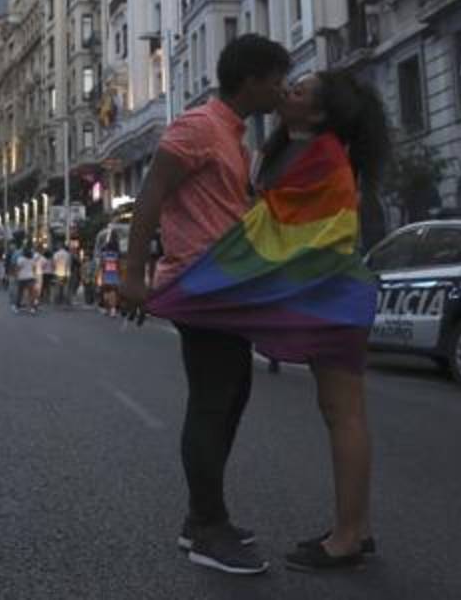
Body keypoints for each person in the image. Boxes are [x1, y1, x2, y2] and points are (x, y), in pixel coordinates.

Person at [119, 34, 292, 576]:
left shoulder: (235, 138)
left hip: (230, 286)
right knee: (214, 400)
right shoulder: (197, 126)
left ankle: (204, 518)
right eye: (276, 80)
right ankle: (207, 527)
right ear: (252, 79)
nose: (281, 90)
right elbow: (150, 196)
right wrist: (131, 274)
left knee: (232, 394)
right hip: (201, 283)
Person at [253, 71, 387, 570]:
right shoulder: (296, 148)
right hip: (328, 296)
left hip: (335, 296)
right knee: (341, 412)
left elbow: (281, 225)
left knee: (343, 412)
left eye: (300, 90)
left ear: (319, 112)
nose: (287, 89)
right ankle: (357, 527)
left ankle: (348, 537)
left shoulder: (324, 156)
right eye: (289, 84)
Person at [97, 235, 122, 318]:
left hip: (105, 276)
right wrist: (119, 276)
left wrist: (100, 276)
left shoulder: (104, 255)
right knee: (113, 293)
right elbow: (119, 267)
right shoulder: (116, 255)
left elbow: (101, 266)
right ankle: (113, 310)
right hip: (114, 277)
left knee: (106, 293)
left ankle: (107, 308)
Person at [13, 246, 36, 313]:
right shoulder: (32, 259)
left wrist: (16, 275)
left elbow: (18, 268)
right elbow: (34, 269)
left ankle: (17, 307)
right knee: (31, 294)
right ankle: (32, 308)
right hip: (31, 277)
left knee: (20, 293)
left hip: (22, 278)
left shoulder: (21, 259)